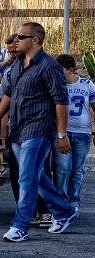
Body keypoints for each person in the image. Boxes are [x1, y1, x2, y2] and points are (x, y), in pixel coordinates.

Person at [0, 21, 78, 242]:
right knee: (37, 177)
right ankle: (64, 211)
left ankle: (20, 226)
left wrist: (61, 135)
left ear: (35, 40)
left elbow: (61, 101)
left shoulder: (49, 66)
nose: (16, 40)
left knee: (26, 179)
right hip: (18, 129)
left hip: (38, 130)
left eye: (21, 36)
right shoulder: (17, 65)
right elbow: (8, 94)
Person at [52, 54, 94, 209]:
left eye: (60, 70)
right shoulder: (57, 86)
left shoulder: (87, 84)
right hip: (64, 132)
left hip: (83, 133)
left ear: (71, 69)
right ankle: (60, 201)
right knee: (63, 168)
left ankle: (74, 200)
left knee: (78, 170)